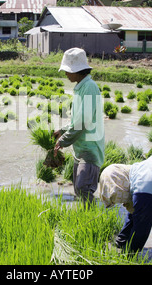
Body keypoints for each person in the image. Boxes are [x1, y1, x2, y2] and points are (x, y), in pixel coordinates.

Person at [53, 47, 105, 205]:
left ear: (77, 70)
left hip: (90, 150)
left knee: (83, 188)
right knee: (78, 189)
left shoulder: (89, 87)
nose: (66, 74)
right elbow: (77, 119)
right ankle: (84, 219)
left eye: (68, 71)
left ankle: (91, 222)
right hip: (81, 148)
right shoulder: (81, 88)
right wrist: (62, 130)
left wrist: (63, 140)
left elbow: (83, 121)